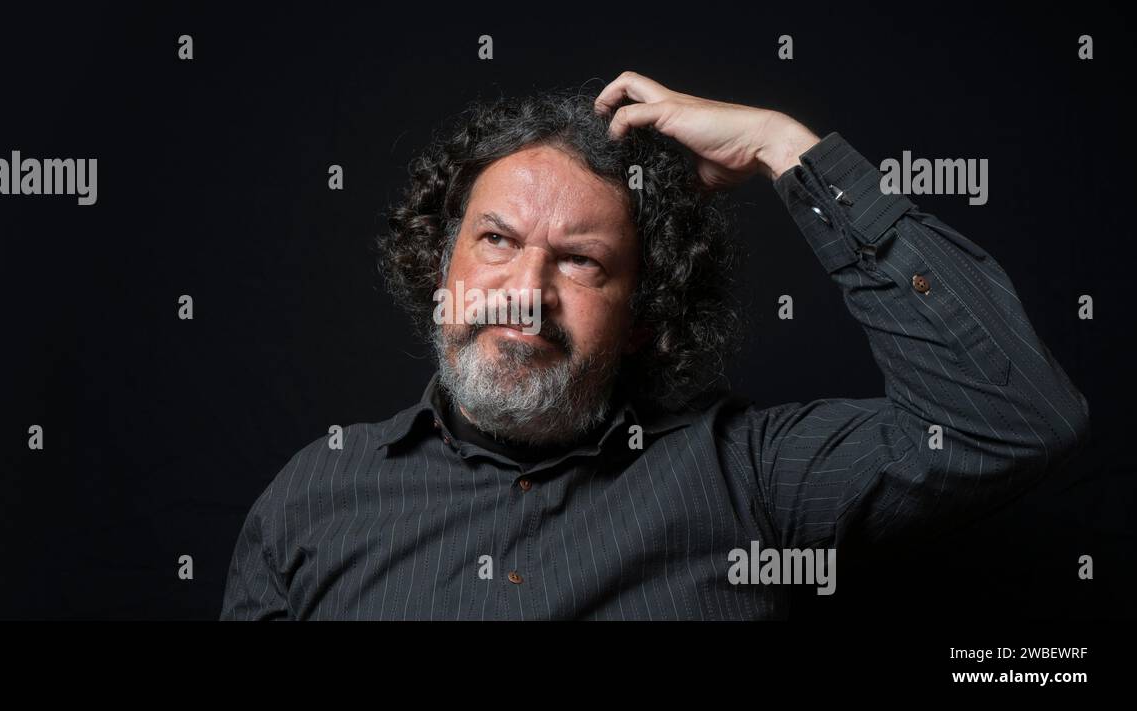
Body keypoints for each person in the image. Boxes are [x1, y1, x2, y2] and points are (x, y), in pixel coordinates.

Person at [219, 71, 1090, 620]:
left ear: (645, 312)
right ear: (440, 268)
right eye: (495, 240)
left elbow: (1014, 419)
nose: (527, 286)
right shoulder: (313, 497)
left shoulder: (749, 476)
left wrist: (784, 146)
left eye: (581, 260)